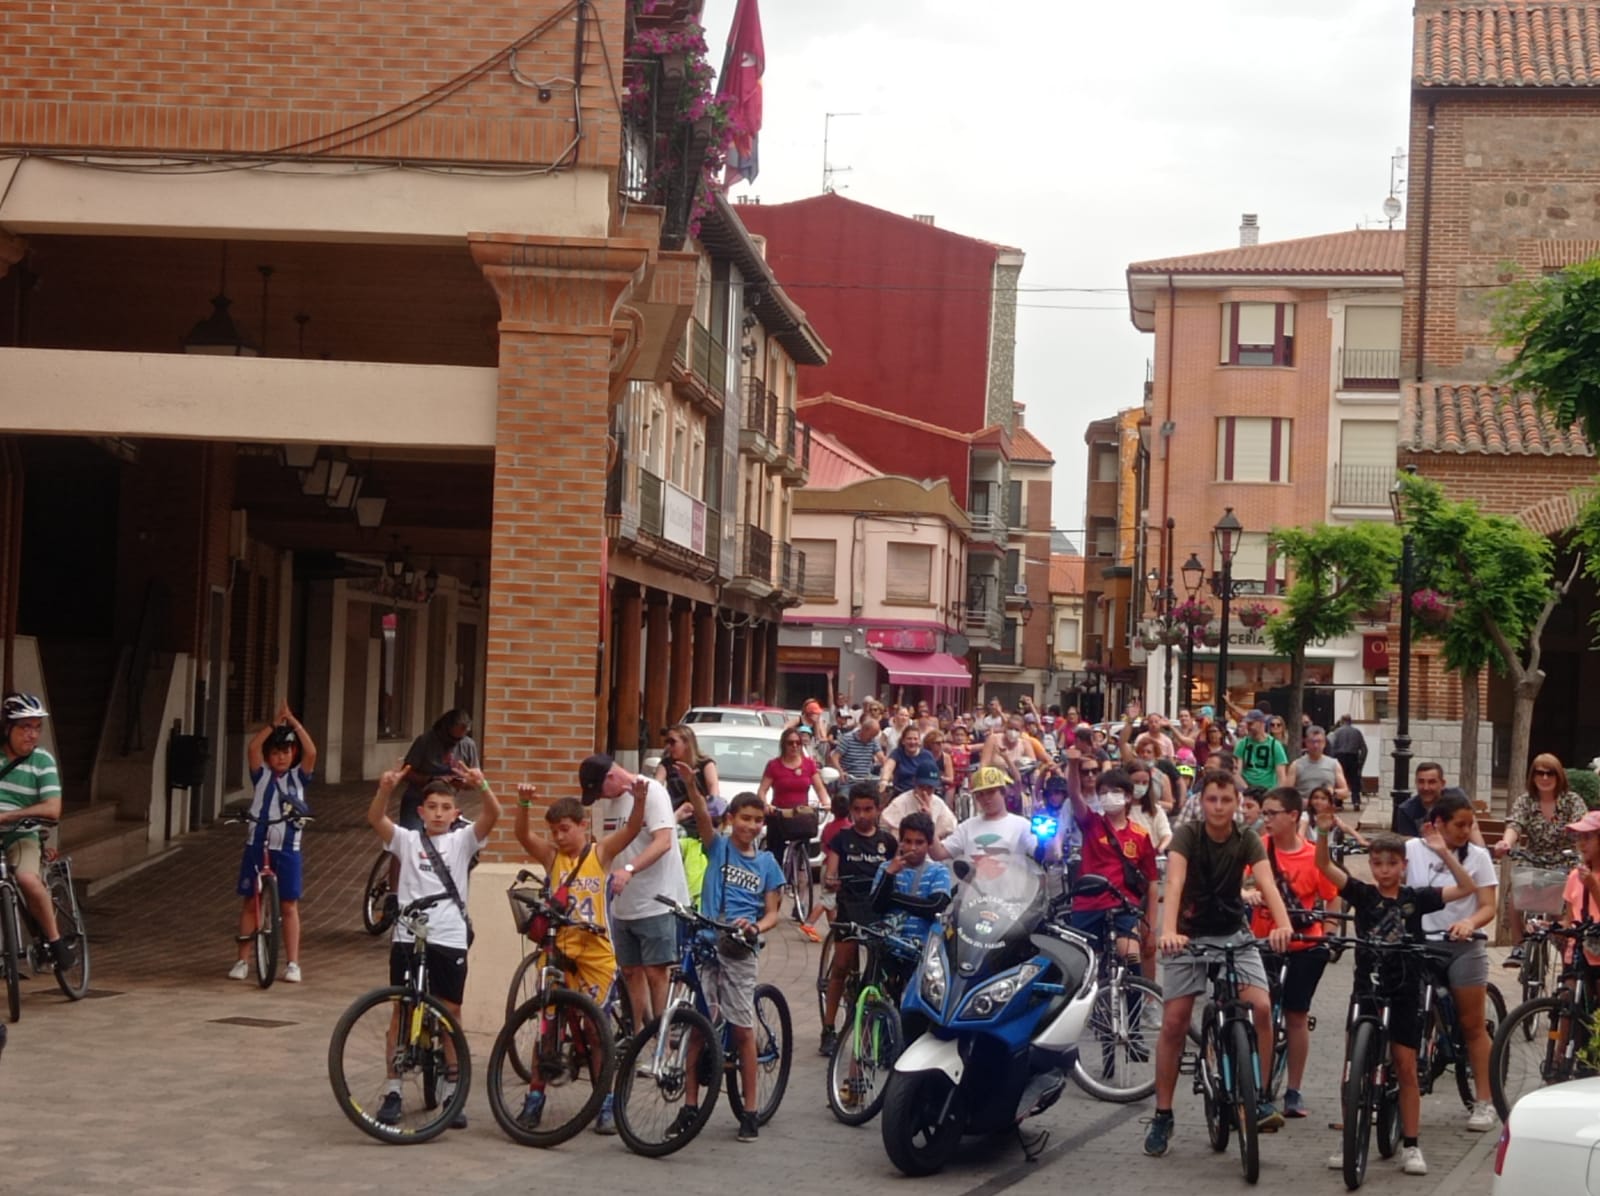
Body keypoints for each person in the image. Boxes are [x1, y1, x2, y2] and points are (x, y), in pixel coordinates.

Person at [1315, 820, 1481, 1177]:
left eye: (1392, 863)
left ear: (1403, 865)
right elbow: (1324, 866)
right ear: (1371, 865)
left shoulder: (1415, 898)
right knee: (1351, 1067)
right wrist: (1324, 832)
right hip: (1366, 987)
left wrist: (1441, 853)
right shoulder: (1363, 894)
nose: (1385, 870)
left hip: (1404, 987)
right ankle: (1349, 1139)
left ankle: (1411, 1144)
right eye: (1378, 863)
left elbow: (1467, 888)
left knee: (1405, 1065)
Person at [1142, 770, 1294, 1159]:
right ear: (1203, 801)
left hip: (1233, 934)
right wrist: (1170, 930)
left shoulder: (1246, 839)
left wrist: (1284, 926)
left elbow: (1268, 884)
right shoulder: (1188, 835)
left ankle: (1259, 1096)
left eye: (1227, 801)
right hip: (1188, 934)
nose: (1220, 807)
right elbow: (1174, 884)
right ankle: (1163, 1113)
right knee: (1175, 1021)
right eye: (1212, 800)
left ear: (1237, 804)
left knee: (1260, 1006)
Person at [367, 763, 500, 1129]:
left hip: (448, 934)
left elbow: (493, 814)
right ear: (421, 812)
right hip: (410, 934)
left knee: (450, 1011)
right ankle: (393, 1088)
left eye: (446, 807)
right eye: (432, 807)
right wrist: (385, 788)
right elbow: (375, 818)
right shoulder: (407, 840)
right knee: (401, 1010)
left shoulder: (462, 840)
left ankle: (450, 1089)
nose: (439, 813)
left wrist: (482, 785)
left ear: (455, 813)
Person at [511, 787, 647, 1135]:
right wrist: (525, 804)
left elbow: (632, 829)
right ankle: (534, 1099)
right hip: (559, 951)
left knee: (593, 1028)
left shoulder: (599, 854)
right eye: (554, 830)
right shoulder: (552, 858)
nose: (559, 836)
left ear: (583, 826)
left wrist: (641, 801)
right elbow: (523, 835)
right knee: (548, 1029)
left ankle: (606, 1101)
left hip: (595, 955)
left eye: (565, 829)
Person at [679, 788, 784, 1143]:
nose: (751, 826)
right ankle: (689, 1106)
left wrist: (755, 926)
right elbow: (703, 817)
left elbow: (772, 914)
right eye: (744, 818)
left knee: (742, 1031)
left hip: (740, 948)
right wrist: (692, 786)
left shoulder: (767, 864)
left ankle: (750, 1110)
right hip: (707, 944)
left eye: (757, 820)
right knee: (698, 1028)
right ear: (730, 819)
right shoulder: (719, 847)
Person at [1403, 791, 1500, 1131]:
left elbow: (1488, 904)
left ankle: (1485, 1100)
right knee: (1404, 1015)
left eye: (1469, 824)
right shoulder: (1412, 850)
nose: (1466, 831)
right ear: (1437, 824)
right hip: (1421, 944)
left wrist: (1469, 923)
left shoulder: (1478, 856)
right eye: (1459, 825)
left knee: (1472, 1025)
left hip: (1462, 946)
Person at [580, 753, 690, 1027]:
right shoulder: (612, 803)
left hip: (656, 900)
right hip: (623, 904)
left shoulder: (651, 792)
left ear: (611, 777)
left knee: (656, 973)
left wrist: (629, 870)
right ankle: (637, 1037)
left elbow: (663, 841)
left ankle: (662, 1042)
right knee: (630, 972)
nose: (601, 797)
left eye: (599, 789)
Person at [1249, 787, 1338, 1120]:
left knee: (1296, 1016)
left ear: (1292, 816)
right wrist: (1249, 894)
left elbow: (1332, 896)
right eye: (1265, 813)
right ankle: (1259, 1087)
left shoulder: (1314, 856)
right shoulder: (1257, 849)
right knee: (1262, 1015)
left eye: (1272, 813)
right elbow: (1241, 883)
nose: (1266, 819)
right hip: (1264, 942)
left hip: (1304, 944)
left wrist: (1328, 935)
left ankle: (1294, 1090)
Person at [230, 704, 317, 982]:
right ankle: (242, 960)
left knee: (289, 905)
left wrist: (294, 722)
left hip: (288, 848)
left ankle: (293, 963)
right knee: (250, 902)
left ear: (293, 755)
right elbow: (253, 748)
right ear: (269, 757)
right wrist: (273, 723)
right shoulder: (262, 775)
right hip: (258, 844)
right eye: (276, 753)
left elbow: (312, 752)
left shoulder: (298, 777)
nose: (281, 758)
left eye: (286, 752)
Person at [819, 781, 897, 1054]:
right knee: (841, 967)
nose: (862, 815)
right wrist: (832, 880)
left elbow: (897, 872)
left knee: (883, 970)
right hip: (850, 907)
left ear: (878, 809)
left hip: (878, 910)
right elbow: (831, 872)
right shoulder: (841, 839)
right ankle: (828, 1028)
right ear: (850, 810)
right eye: (857, 810)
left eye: (868, 809)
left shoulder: (887, 842)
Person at [1494, 753, 1587, 967]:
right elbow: (1515, 824)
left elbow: (1579, 828)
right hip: (1533, 858)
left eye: (1550, 773)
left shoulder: (1572, 801)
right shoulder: (1526, 801)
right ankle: (1518, 946)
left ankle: (1568, 958)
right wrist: (1506, 843)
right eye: (1539, 772)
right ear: (1532, 776)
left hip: (1564, 860)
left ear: (1559, 775)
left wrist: (1579, 846)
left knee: (1560, 915)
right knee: (1515, 892)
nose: (1544, 777)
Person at [0, 693, 72, 970]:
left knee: (28, 880)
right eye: (25, 727)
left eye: (37, 727)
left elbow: (53, 809)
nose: (32, 735)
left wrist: (9, 815)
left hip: (22, 834)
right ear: (7, 728)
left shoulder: (42, 761)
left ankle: (55, 942)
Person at [1067, 767, 1158, 976]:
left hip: (1122, 906)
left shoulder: (1140, 835)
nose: (1109, 797)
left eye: (1115, 791)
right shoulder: (1091, 823)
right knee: (1084, 968)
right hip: (1087, 905)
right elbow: (1074, 793)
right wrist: (1073, 763)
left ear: (1127, 796)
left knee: (1130, 956)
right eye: (1103, 792)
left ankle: (1134, 1008)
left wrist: (1150, 927)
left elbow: (1152, 883)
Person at [757, 728, 829, 899]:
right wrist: (766, 805)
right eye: (790, 743)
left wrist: (826, 803)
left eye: (798, 743)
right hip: (779, 816)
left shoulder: (808, 764)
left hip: (800, 817)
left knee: (802, 862)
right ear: (784, 744)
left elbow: (820, 788)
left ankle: (801, 898)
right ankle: (773, 895)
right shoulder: (774, 765)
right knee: (775, 855)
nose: (795, 746)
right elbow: (762, 791)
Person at [930, 765, 1048, 867]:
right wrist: (929, 821)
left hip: (1014, 892)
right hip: (975, 892)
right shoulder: (967, 827)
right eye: (980, 794)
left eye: (991, 792)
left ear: (1003, 792)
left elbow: (1042, 855)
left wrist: (1049, 841)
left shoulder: (1022, 825)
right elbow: (938, 854)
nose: (986, 799)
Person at [870, 810, 953, 948]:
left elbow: (934, 907)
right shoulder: (886, 868)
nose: (913, 848)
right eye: (908, 841)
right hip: (887, 946)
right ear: (901, 842)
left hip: (922, 949)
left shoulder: (939, 871)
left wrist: (894, 898)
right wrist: (889, 874)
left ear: (929, 843)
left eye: (919, 842)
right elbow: (876, 906)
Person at [1391, 761, 1483, 843]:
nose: (1425, 787)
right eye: (1421, 782)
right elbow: (1410, 844)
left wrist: (1483, 855)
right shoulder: (1406, 810)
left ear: (1442, 784)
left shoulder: (1456, 797)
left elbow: (1472, 828)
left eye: (1431, 782)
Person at [881, 758, 959, 841]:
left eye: (930, 788)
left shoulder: (939, 803)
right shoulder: (900, 802)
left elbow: (951, 828)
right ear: (914, 782)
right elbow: (885, 826)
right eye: (921, 786)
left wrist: (929, 818)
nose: (925, 792)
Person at [1287, 726, 1350, 808]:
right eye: (1312, 742)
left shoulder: (1334, 764)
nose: (1316, 745)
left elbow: (1345, 792)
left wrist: (1332, 792)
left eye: (1319, 742)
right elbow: (1286, 793)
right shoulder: (1296, 765)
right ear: (1306, 742)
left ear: (1324, 743)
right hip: (1303, 812)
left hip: (1325, 813)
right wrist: (1299, 801)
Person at [1236, 709, 1288, 792]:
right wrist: (1248, 790)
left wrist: (1275, 794)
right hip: (1246, 788)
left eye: (1251, 724)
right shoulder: (1242, 744)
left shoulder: (1275, 745)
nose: (1248, 727)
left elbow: (1281, 776)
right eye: (1247, 724)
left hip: (1269, 790)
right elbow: (1236, 772)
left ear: (1261, 723)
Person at [1327, 714, 1368, 811]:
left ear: (1341, 721)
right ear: (1350, 721)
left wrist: (1332, 760)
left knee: (1339, 780)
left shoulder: (1336, 732)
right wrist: (1361, 762)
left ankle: (1339, 803)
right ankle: (1356, 801)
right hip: (1353, 757)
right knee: (1355, 781)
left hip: (1339, 757)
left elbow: (1331, 747)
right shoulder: (1357, 732)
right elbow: (1364, 749)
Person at [880, 725, 937, 795]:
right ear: (903, 741)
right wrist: (884, 781)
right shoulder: (897, 753)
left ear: (919, 741)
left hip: (922, 793)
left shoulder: (927, 755)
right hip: (901, 793)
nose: (912, 742)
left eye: (915, 739)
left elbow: (934, 775)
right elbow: (889, 767)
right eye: (909, 739)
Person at [831, 716, 883, 783]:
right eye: (871, 735)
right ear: (863, 730)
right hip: (849, 779)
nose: (872, 738)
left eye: (874, 736)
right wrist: (840, 771)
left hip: (866, 779)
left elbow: (881, 757)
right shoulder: (847, 739)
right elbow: (834, 757)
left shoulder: (873, 741)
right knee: (844, 792)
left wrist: (887, 773)